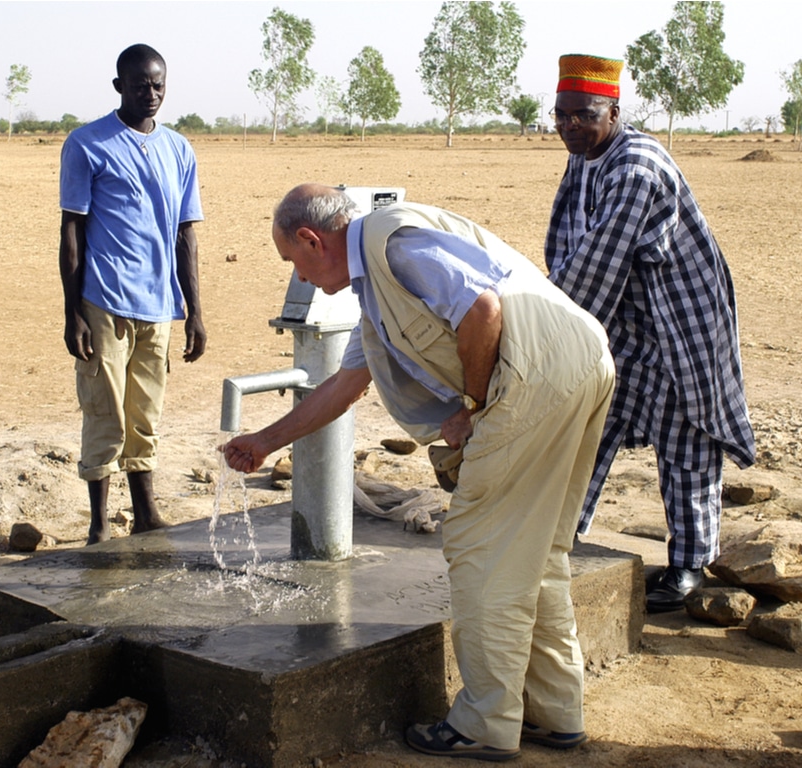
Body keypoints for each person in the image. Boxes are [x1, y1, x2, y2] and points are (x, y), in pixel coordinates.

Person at [223, 184, 615, 761]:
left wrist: (471, 408)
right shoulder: (378, 289)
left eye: (293, 262)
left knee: (480, 548)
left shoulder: (390, 243)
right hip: (579, 363)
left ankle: (485, 723)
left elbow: (482, 310)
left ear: (312, 239)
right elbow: (342, 386)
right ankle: (555, 712)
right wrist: (264, 441)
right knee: (537, 551)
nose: (299, 278)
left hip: (532, 381)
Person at [545, 54, 756, 612]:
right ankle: (554, 541)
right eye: (560, 115)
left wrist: (532, 322)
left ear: (613, 110)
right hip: (624, 322)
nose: (569, 126)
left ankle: (690, 564)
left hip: (676, 328)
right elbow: (570, 244)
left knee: (683, 445)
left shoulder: (635, 166)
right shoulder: (587, 155)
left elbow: (595, 265)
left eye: (582, 115)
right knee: (584, 431)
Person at [59, 44, 205, 545]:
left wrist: (194, 312)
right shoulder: (87, 144)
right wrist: (72, 311)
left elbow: (186, 234)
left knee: (146, 413)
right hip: (103, 301)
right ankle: (99, 524)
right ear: (119, 86)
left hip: (159, 306)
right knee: (105, 410)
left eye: (159, 85)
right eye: (141, 85)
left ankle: (145, 513)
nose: (151, 94)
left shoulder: (179, 149)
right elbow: (71, 232)